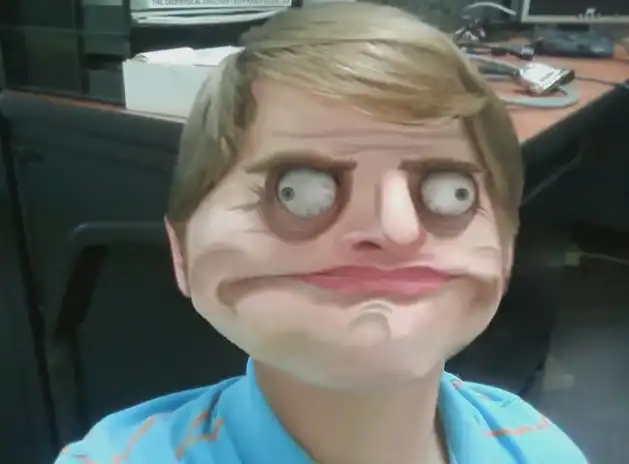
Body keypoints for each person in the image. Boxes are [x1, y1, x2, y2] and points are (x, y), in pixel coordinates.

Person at [55, 3, 587, 463]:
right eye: (298, 190)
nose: (396, 230)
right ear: (181, 251)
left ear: (507, 249)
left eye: (452, 193)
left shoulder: (538, 448)